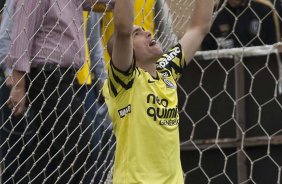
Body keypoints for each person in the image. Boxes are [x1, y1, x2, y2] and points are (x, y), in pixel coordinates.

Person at [102, 0, 214, 183]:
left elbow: (199, 27)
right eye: (137, 33)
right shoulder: (124, 82)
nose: (147, 32)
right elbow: (122, 29)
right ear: (126, 50)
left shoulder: (166, 71)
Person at [4, 0, 113, 183]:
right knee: (80, 144)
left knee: (48, 153)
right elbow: (22, 33)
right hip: (46, 78)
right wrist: (18, 84)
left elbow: (106, 3)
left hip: (65, 78)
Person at [201, 0, 280, 50]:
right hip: (223, 74)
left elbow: (274, 49)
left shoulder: (266, 8)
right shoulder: (212, 15)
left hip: (262, 72)